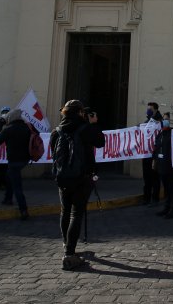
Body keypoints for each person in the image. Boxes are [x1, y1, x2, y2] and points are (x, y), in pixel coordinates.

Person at [50, 99, 105, 271]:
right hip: (82, 178)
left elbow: (53, 152)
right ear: (81, 113)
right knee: (76, 213)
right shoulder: (86, 128)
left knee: (65, 211)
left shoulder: (57, 131)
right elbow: (100, 142)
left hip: (62, 178)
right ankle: (69, 253)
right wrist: (93, 123)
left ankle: (67, 245)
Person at [0, 108, 31, 220]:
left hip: (14, 160)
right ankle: (8, 199)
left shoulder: (9, 129)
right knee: (9, 177)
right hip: (25, 160)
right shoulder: (27, 128)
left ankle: (23, 210)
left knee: (17, 186)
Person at [153, 116, 173, 219]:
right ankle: (166, 207)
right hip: (162, 166)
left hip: (171, 167)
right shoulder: (160, 135)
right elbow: (156, 148)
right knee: (166, 188)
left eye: (166, 119)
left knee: (172, 188)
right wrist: (155, 159)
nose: (164, 121)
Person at [141, 101, 163, 207]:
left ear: (155, 109)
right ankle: (147, 198)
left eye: (150, 108)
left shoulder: (159, 122)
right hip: (146, 155)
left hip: (154, 155)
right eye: (148, 108)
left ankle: (155, 198)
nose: (148, 110)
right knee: (147, 178)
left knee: (155, 177)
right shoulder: (147, 121)